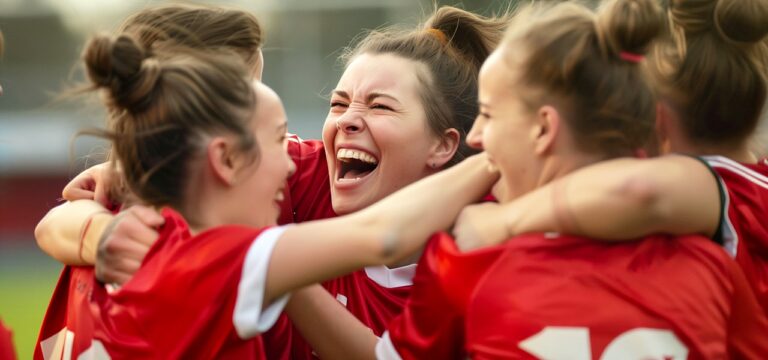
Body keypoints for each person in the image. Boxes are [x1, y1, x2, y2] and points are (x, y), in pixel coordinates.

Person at [283, 0, 768, 358]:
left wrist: (273, 268)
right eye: (339, 103)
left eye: (489, 116)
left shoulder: (470, 257)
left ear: (544, 128)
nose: (478, 137)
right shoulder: (710, 259)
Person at [35, 5, 510, 359]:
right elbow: (384, 237)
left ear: (445, 144)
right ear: (223, 157)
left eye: (379, 105)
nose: (290, 159)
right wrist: (501, 151)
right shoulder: (217, 257)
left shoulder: (134, 226)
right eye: (277, 139)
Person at [451, 0, 768, 314]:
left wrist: (505, 222)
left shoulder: (720, 186)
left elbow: (639, 190)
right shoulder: (751, 182)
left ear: (655, 116)